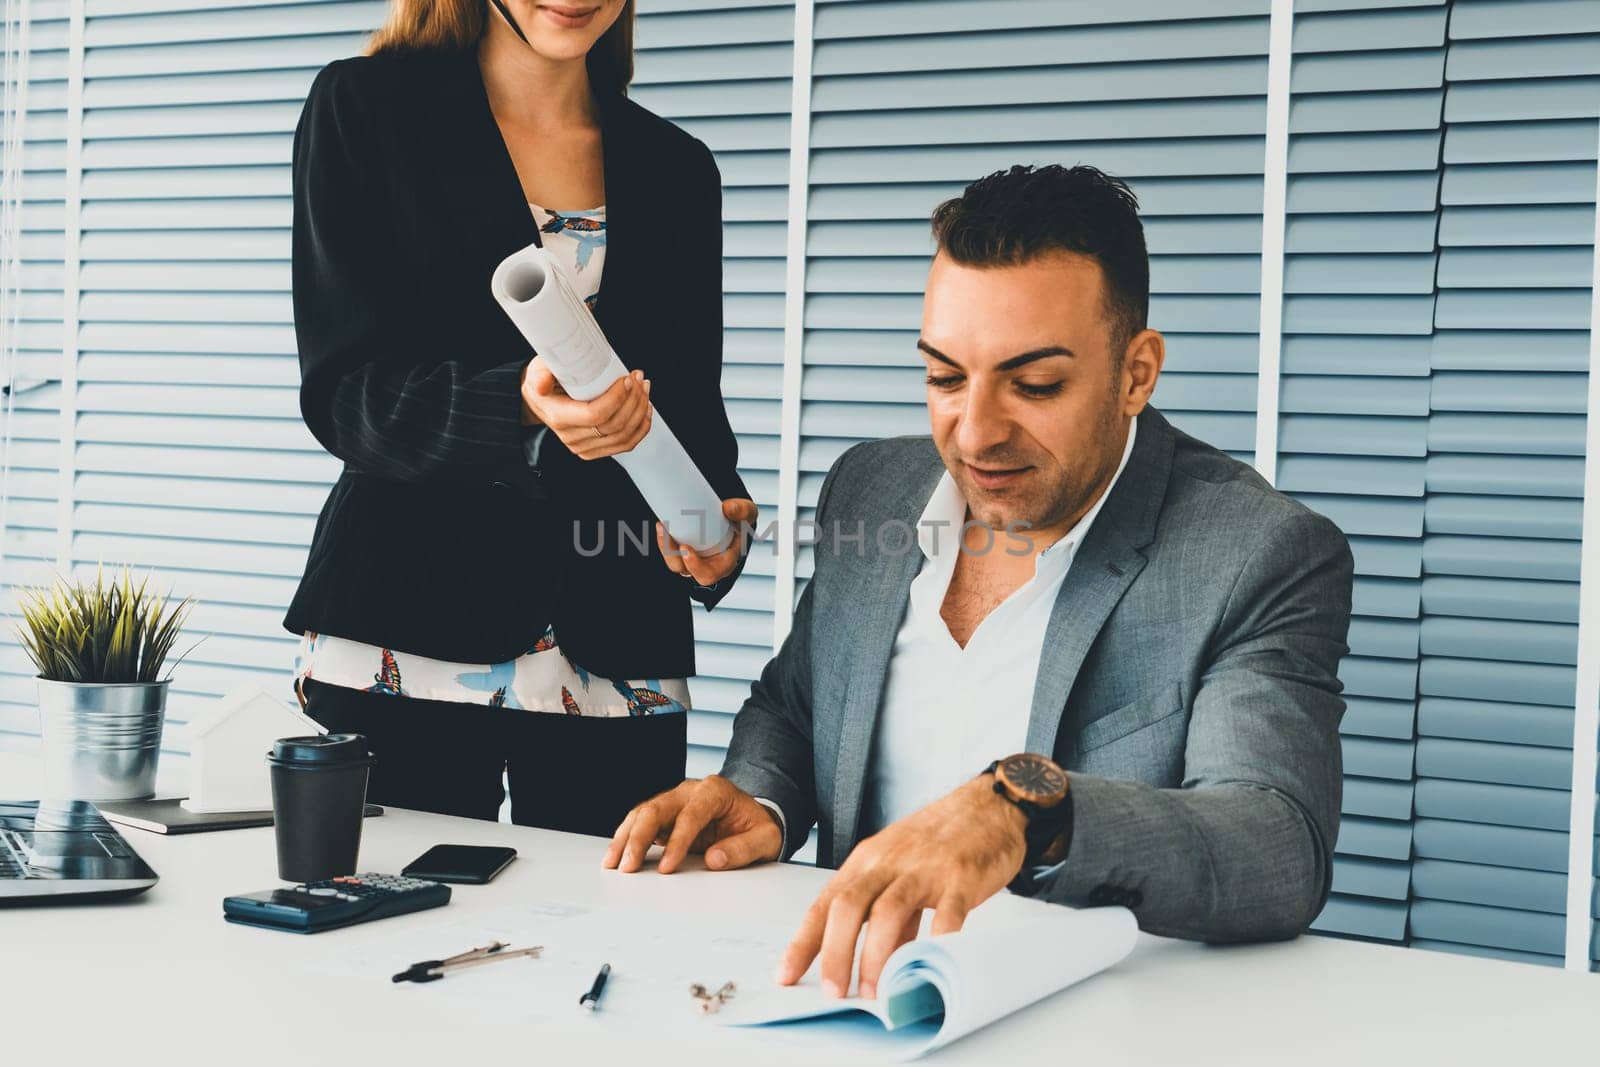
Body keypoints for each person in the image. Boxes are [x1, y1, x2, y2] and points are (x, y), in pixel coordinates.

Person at [604, 164, 1355, 998]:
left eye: (1035, 384)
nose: (977, 432)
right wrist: (760, 799)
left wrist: (1027, 810)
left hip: (1086, 1024)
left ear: (1137, 372)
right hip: (843, 1007)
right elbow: (799, 705)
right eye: (944, 377)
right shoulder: (871, 488)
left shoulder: (1258, 550)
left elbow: (1276, 843)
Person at [283, 0, 756, 838]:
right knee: (380, 944)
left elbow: (689, 414)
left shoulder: (679, 168)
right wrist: (519, 409)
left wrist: (715, 530)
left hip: (618, 647)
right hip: (409, 628)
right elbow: (344, 392)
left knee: (609, 951)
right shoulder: (366, 109)